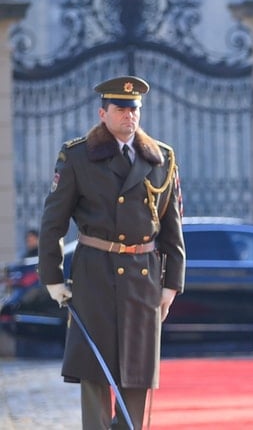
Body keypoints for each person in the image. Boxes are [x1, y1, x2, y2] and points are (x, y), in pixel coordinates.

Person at [38, 75, 184, 430]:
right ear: (103, 113)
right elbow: (53, 222)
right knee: (95, 371)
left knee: (137, 374)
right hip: (94, 275)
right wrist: (53, 278)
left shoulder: (160, 157)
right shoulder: (77, 157)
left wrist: (172, 284)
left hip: (143, 276)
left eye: (134, 110)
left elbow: (172, 227)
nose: (128, 116)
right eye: (120, 109)